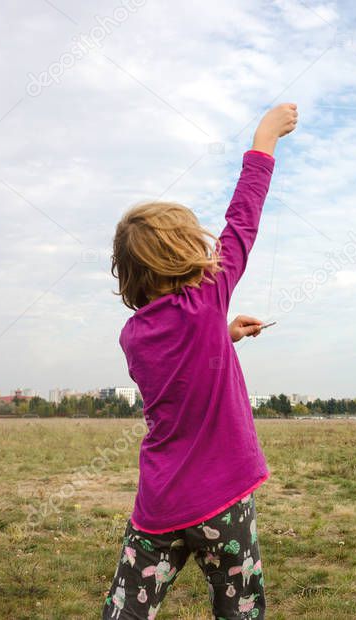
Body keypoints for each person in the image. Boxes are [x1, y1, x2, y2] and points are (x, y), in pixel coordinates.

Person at [103, 103, 298, 619]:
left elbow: (181, 370)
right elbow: (243, 219)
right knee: (239, 610)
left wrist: (224, 337)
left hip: (159, 505)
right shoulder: (208, 294)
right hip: (224, 502)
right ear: (186, 252)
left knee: (126, 610)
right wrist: (265, 139)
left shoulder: (133, 335)